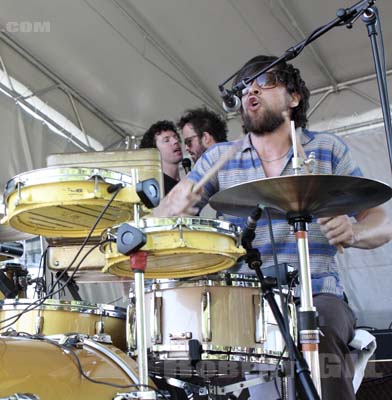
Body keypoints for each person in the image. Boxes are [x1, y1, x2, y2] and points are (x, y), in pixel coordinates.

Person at [154, 55, 392, 399]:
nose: (251, 91)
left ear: (294, 97)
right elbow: (162, 222)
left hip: (317, 292)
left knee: (319, 335)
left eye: (265, 83)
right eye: (245, 87)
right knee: (195, 353)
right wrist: (169, 210)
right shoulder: (220, 157)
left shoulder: (326, 149)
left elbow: (383, 221)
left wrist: (355, 232)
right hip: (242, 297)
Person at [139, 120, 183, 195]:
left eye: (175, 137)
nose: (175, 141)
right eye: (166, 140)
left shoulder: (182, 183)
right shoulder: (154, 189)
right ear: (155, 152)